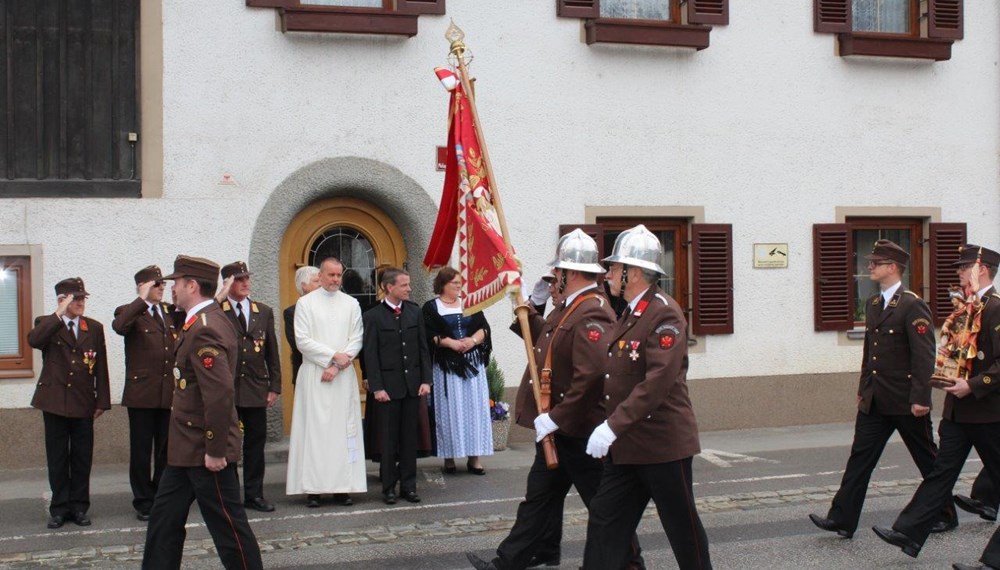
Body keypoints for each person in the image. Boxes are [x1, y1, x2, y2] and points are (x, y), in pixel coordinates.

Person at [467, 229, 642, 570]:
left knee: (604, 507)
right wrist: (531, 304)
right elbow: (547, 337)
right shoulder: (571, 306)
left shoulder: (592, 311)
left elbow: (591, 374)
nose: (554, 278)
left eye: (558, 273)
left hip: (578, 429)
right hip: (561, 427)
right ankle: (519, 558)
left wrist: (558, 418)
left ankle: (631, 564)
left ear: (572, 273)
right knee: (540, 497)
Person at [582, 224, 711, 570]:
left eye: (614, 267)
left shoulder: (664, 313)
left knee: (683, 530)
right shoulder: (629, 312)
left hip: (662, 445)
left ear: (633, 273)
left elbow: (657, 382)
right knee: (605, 520)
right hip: (628, 447)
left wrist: (611, 427)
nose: (607, 273)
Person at [809, 239, 956, 539]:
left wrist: (921, 398)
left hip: (905, 401)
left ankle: (945, 513)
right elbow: (870, 352)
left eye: (876, 263)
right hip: (876, 399)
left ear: (892, 267)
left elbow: (924, 355)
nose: (869, 266)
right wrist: (864, 388)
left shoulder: (913, 304)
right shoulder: (874, 304)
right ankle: (842, 519)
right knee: (860, 458)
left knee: (928, 459)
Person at [872, 244, 1000, 570]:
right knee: (940, 474)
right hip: (959, 411)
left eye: (963, 267)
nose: (958, 273)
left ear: (981, 269)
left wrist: (972, 385)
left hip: (988, 413)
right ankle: (909, 533)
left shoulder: (996, 309)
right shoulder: (963, 307)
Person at [142, 255, 262, 570]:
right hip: (184, 449)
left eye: (176, 283)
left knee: (229, 529)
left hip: (206, 451)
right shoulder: (200, 320)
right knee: (163, 521)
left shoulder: (206, 327)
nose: (172, 289)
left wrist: (215, 448)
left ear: (192, 286)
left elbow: (220, 394)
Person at [28, 277, 111, 529]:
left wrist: (102, 400)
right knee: (58, 457)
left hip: (83, 401)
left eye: (83, 298)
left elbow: (101, 366)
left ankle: (79, 507)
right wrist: (59, 313)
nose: (81, 302)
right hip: (54, 402)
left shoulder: (93, 328)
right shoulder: (47, 323)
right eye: (75, 298)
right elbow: (34, 340)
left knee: (82, 457)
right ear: (62, 300)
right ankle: (59, 509)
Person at [285, 257, 366, 508]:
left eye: (339, 275)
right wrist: (330, 357)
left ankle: (343, 487)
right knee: (316, 432)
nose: (335, 280)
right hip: (315, 376)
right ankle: (314, 489)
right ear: (320, 276)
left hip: (341, 376)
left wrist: (337, 364)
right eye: (330, 275)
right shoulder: (305, 304)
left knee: (343, 431)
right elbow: (303, 341)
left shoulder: (351, 304)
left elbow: (357, 338)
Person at [112, 265, 178, 522]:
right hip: (141, 394)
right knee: (141, 451)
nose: (162, 288)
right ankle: (142, 500)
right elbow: (120, 325)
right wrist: (141, 298)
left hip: (166, 393)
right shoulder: (130, 312)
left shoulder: (167, 313)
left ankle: (160, 494)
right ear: (143, 286)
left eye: (162, 284)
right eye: (156, 284)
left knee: (165, 449)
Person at [362, 267, 432, 505]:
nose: (409, 289)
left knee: (409, 439)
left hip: (412, 385)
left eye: (409, 284)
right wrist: (377, 387)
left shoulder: (414, 312)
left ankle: (409, 487)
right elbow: (370, 355)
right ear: (389, 287)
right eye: (404, 285)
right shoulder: (373, 316)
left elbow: (423, 349)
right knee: (389, 440)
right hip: (388, 389)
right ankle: (389, 488)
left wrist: (425, 380)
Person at [217, 261, 281, 513]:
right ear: (227, 284)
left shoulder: (262, 311)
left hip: (256, 387)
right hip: (228, 389)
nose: (245, 283)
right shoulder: (217, 310)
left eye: (246, 278)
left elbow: (271, 351)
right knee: (229, 444)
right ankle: (230, 495)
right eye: (238, 279)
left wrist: (274, 385)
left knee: (255, 443)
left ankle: (254, 494)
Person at [422, 266, 493, 475]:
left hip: (472, 364)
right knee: (449, 409)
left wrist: (471, 340)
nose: (459, 286)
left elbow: (485, 329)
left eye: (460, 283)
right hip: (447, 366)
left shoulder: (470, 303)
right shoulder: (431, 307)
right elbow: (428, 334)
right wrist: (451, 343)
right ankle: (449, 457)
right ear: (443, 284)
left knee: (474, 409)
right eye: (455, 283)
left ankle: (475, 458)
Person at [283, 265, 321, 385]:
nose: (321, 284)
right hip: (305, 372)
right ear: (304, 286)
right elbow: (297, 344)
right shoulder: (292, 313)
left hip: (332, 372)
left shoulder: (331, 309)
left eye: (321, 281)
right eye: (316, 281)